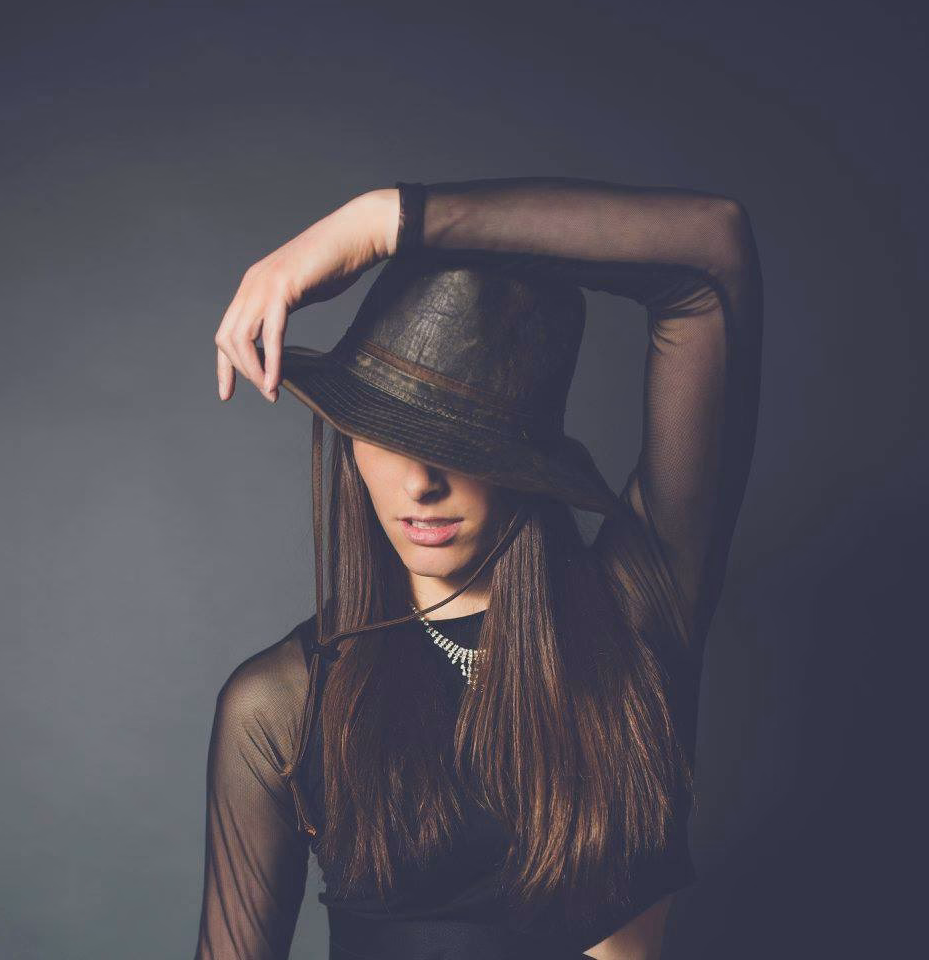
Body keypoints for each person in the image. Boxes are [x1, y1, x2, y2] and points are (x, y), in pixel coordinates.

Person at [195, 177, 763, 959]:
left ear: (524, 460)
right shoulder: (284, 705)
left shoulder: (637, 610)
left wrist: (378, 223)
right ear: (349, 441)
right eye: (387, 432)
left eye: (460, 442)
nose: (421, 482)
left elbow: (708, 254)